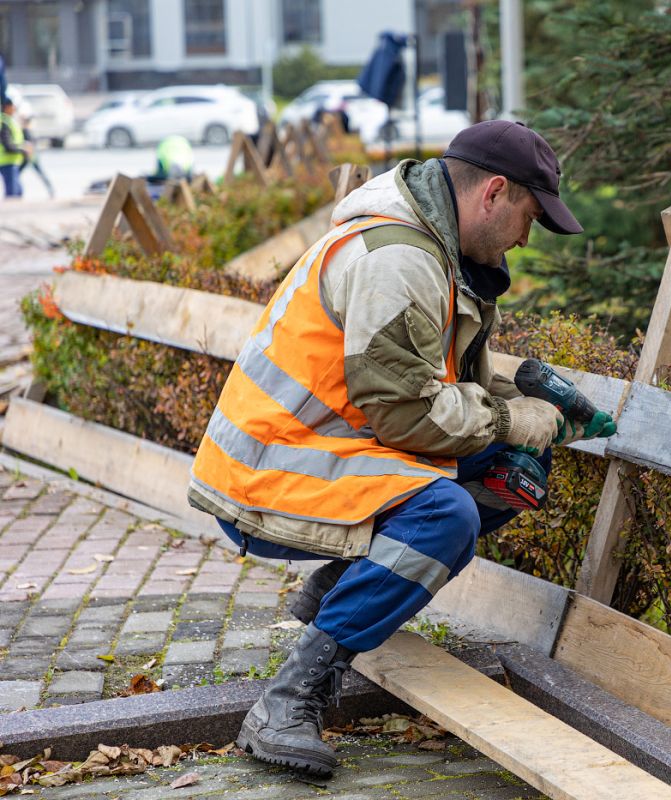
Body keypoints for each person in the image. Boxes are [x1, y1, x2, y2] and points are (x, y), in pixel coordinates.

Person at [188, 120, 611, 776]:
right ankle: (287, 702)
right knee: (446, 516)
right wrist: (509, 416)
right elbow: (407, 414)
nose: (528, 238)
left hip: (330, 447)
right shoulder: (400, 258)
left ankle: (341, 593)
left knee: (513, 468)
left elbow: (421, 382)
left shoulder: (436, 249)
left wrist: (518, 393)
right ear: (493, 192)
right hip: (270, 467)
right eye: (530, 216)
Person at [0, 96, 32, 199]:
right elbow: (7, 145)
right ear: (7, 107)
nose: (14, 108)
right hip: (7, 162)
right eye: (12, 106)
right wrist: (23, 149)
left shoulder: (9, 120)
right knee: (13, 194)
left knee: (18, 192)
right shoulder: (4, 122)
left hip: (13, 162)